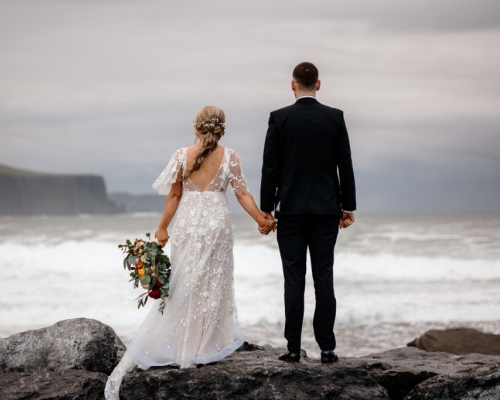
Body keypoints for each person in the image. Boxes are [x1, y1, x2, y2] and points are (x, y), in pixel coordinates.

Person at [105, 105, 275, 399]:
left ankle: (184, 346)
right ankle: (203, 347)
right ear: (221, 128)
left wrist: (161, 229)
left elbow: (174, 195)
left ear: (196, 127)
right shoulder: (230, 156)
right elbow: (242, 193)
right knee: (211, 284)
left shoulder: (181, 155)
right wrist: (261, 218)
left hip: (187, 223)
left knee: (184, 281)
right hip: (216, 223)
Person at [260, 62, 356, 364]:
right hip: (326, 210)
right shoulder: (335, 117)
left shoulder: (279, 119)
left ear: (292, 85)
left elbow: (270, 167)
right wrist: (347, 206)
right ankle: (327, 348)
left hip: (290, 211)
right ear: (318, 84)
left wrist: (267, 209)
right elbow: (345, 163)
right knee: (324, 277)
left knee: (294, 280)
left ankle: (292, 347)